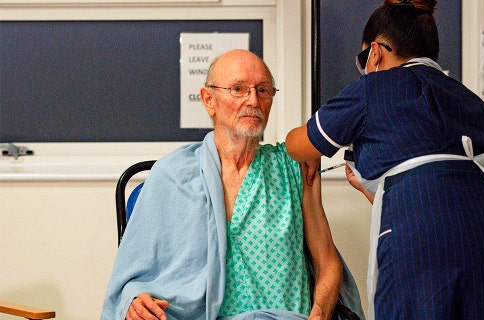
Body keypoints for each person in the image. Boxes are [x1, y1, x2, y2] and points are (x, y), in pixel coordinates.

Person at [286, 0, 484, 319]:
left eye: (364, 58)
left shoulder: (374, 87)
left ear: (374, 52)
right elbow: (448, 194)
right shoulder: (469, 100)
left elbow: (299, 146)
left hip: (425, 244)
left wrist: (301, 146)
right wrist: (366, 187)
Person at [101, 49, 364, 320]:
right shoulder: (172, 174)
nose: (253, 100)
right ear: (208, 100)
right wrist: (134, 301)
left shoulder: (294, 167)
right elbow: (133, 275)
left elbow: (327, 263)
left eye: (263, 90)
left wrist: (319, 314)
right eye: (238, 89)